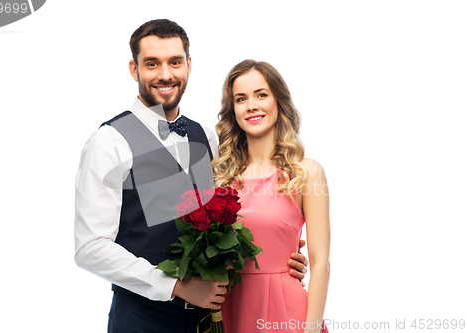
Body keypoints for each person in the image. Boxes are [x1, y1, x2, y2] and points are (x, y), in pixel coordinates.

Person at [74, 20, 308, 333]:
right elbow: (90, 248)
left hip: (210, 319)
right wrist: (174, 286)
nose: (166, 74)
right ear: (134, 69)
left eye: (175, 62)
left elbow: (232, 220)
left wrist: (279, 258)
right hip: (142, 319)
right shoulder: (109, 140)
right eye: (152, 63)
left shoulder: (208, 139)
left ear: (188, 66)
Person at [214, 60, 330, 333]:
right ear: (234, 110)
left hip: (285, 314)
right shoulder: (221, 176)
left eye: (261, 94)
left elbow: (321, 262)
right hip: (229, 309)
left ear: (279, 101)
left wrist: (310, 330)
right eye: (241, 99)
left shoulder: (306, 172)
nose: (251, 105)